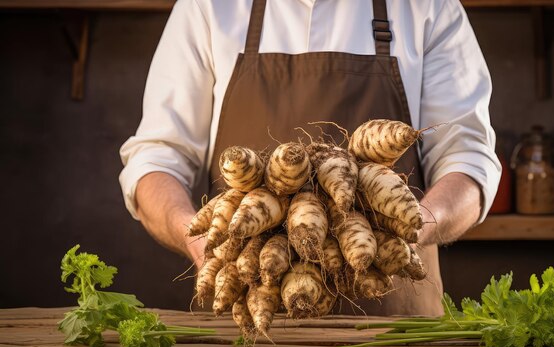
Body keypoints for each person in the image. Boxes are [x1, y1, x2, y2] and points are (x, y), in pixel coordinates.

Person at [119, 0, 501, 317]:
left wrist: (414, 231)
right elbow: (156, 158)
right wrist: (200, 241)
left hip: (388, 310)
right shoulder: (207, 7)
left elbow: (468, 160)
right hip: (249, 301)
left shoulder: (427, 6)